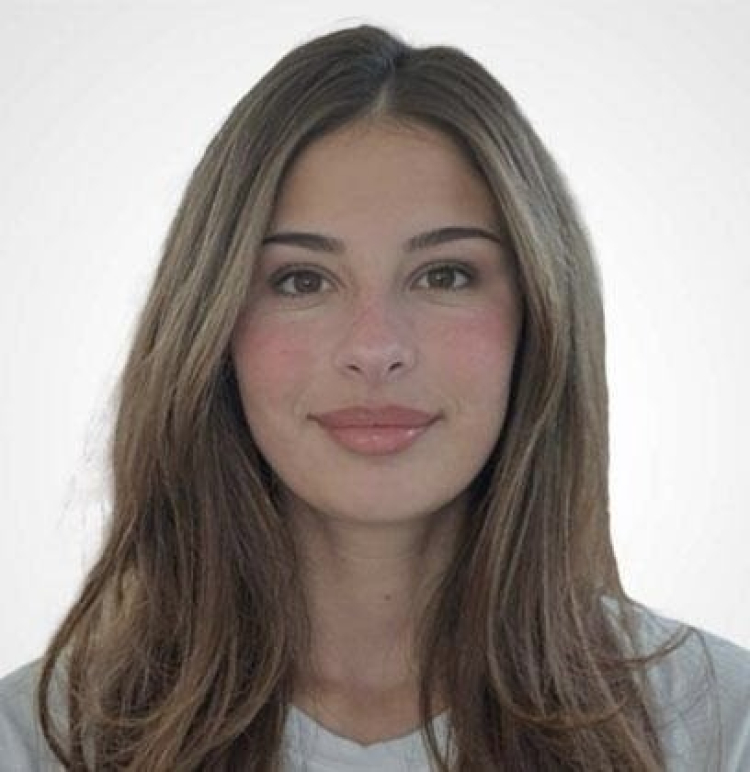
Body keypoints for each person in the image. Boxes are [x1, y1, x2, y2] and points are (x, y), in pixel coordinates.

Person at [1, 22, 748, 772]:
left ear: (541, 317)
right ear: (213, 327)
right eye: (302, 280)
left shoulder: (719, 728)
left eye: (444, 275)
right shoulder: (41, 739)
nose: (374, 347)